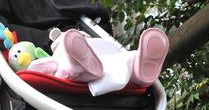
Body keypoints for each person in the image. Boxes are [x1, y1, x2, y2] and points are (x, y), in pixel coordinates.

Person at [25, 27, 169, 96]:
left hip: (98, 61)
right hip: (98, 58)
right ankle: (139, 73)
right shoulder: (59, 55)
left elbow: (34, 70)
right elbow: (38, 69)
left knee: (123, 59)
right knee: (126, 60)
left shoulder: (60, 55)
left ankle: (139, 69)